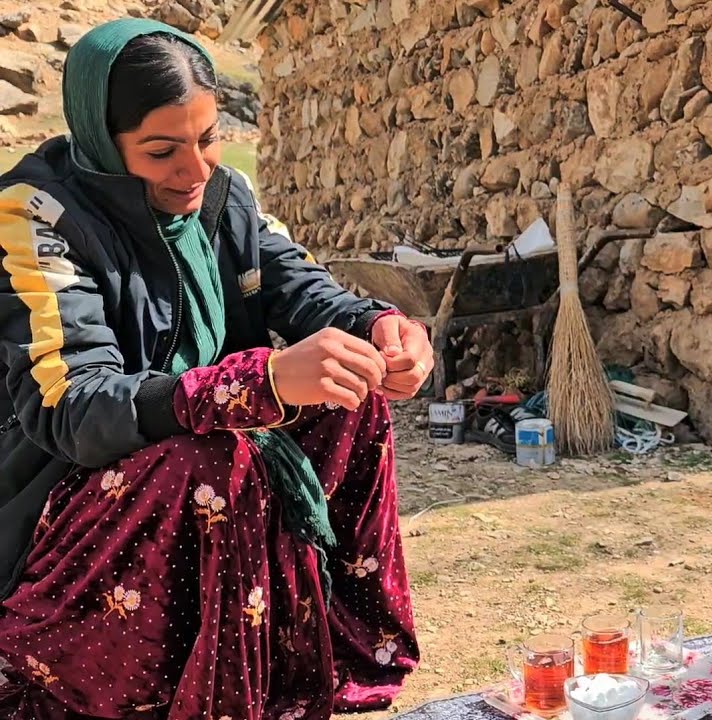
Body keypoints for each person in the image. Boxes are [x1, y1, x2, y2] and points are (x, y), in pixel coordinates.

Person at [0, 19, 432, 719]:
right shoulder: (40, 216)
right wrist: (252, 384)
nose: (195, 170)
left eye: (208, 139)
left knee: (350, 396)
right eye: (162, 151)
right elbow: (76, 407)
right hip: (68, 497)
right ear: (101, 141)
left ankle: (311, 659)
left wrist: (381, 328)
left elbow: (303, 288)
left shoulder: (224, 198)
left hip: (207, 456)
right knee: (205, 464)